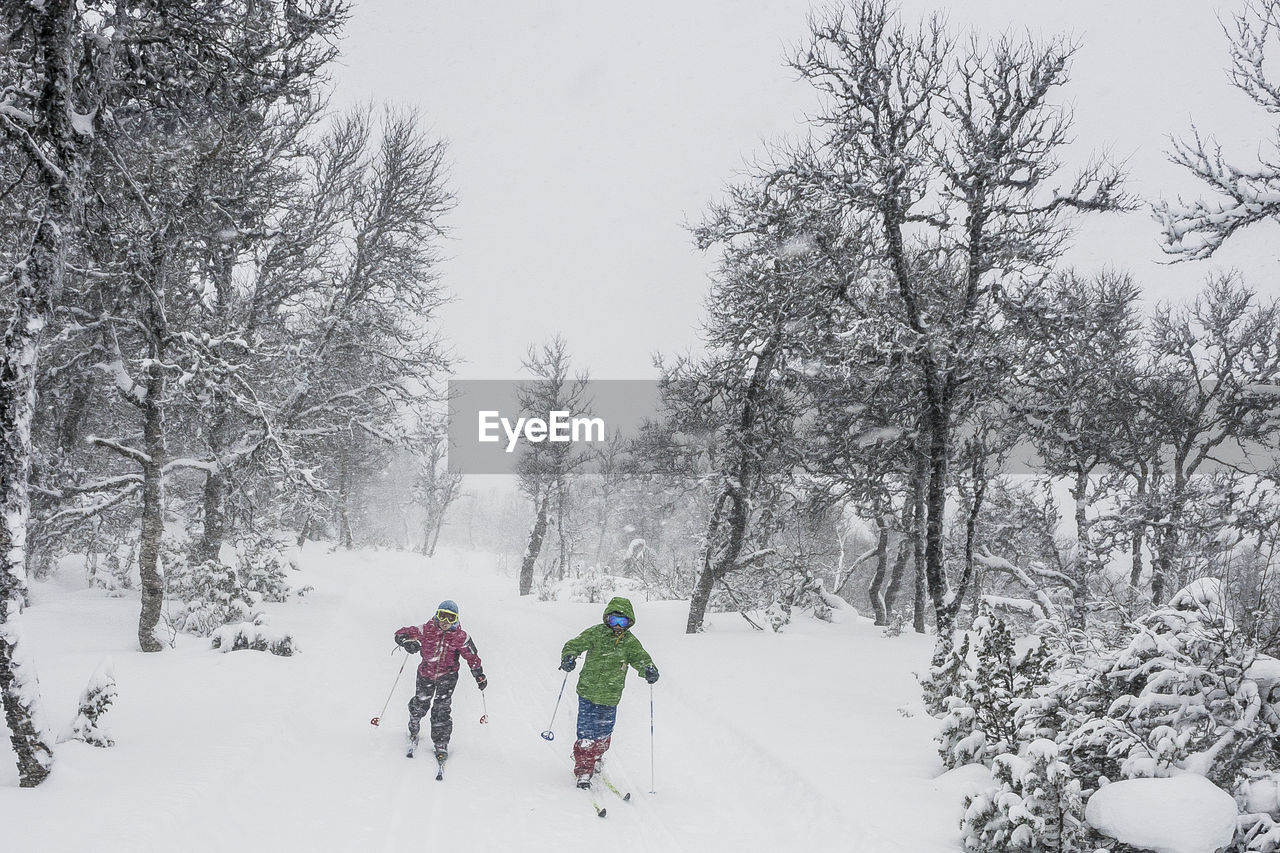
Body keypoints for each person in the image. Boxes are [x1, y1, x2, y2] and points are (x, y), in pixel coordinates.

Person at [559, 596, 658, 788]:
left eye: (622, 622)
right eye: (614, 621)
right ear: (607, 619)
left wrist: (648, 669)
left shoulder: (630, 642)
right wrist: (569, 656)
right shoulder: (596, 633)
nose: (617, 626)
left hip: (611, 696)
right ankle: (583, 770)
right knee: (587, 734)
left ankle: (596, 758)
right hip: (588, 692)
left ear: (629, 622)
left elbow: (641, 657)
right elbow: (574, 644)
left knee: (604, 734)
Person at [394, 599, 486, 762]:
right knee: (421, 703)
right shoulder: (427, 629)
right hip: (426, 674)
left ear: (456, 619)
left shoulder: (461, 636)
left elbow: (472, 656)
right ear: (436, 615)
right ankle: (414, 722)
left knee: (441, 710)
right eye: (442, 616)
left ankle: (441, 742)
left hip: (447, 678)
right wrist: (407, 642)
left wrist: (478, 674)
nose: (445, 621)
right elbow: (401, 633)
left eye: (450, 618)